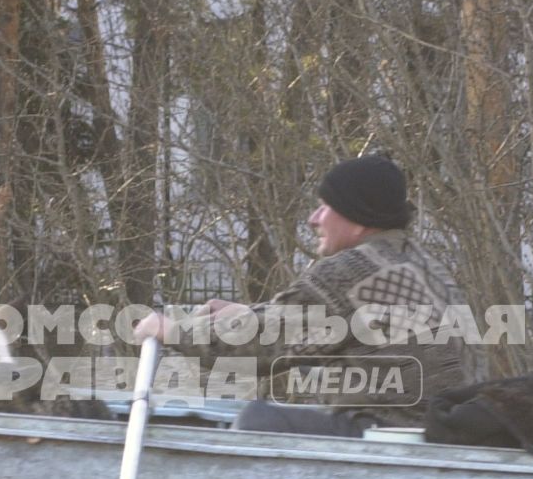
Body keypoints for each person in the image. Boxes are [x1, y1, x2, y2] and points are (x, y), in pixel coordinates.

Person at [132, 154, 480, 436]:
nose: (314, 219)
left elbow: (255, 346)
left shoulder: (354, 268)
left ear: (358, 216)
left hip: (389, 438)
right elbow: (316, 323)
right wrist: (250, 312)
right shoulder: (425, 267)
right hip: (436, 437)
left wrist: (169, 329)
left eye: (325, 207)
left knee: (259, 420)